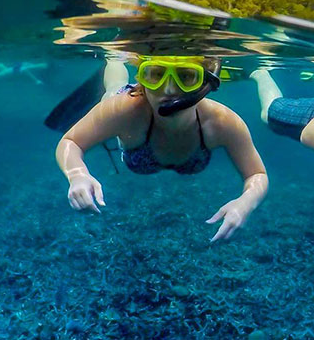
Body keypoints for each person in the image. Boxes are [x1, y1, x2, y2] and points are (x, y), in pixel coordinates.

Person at [55, 55, 268, 241]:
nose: (168, 90)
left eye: (185, 77)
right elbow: (71, 142)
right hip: (126, 101)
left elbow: (257, 174)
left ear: (204, 84)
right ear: (142, 77)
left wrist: (246, 203)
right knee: (113, 91)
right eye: (155, 75)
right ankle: (116, 59)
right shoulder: (122, 110)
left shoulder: (223, 122)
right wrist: (77, 175)